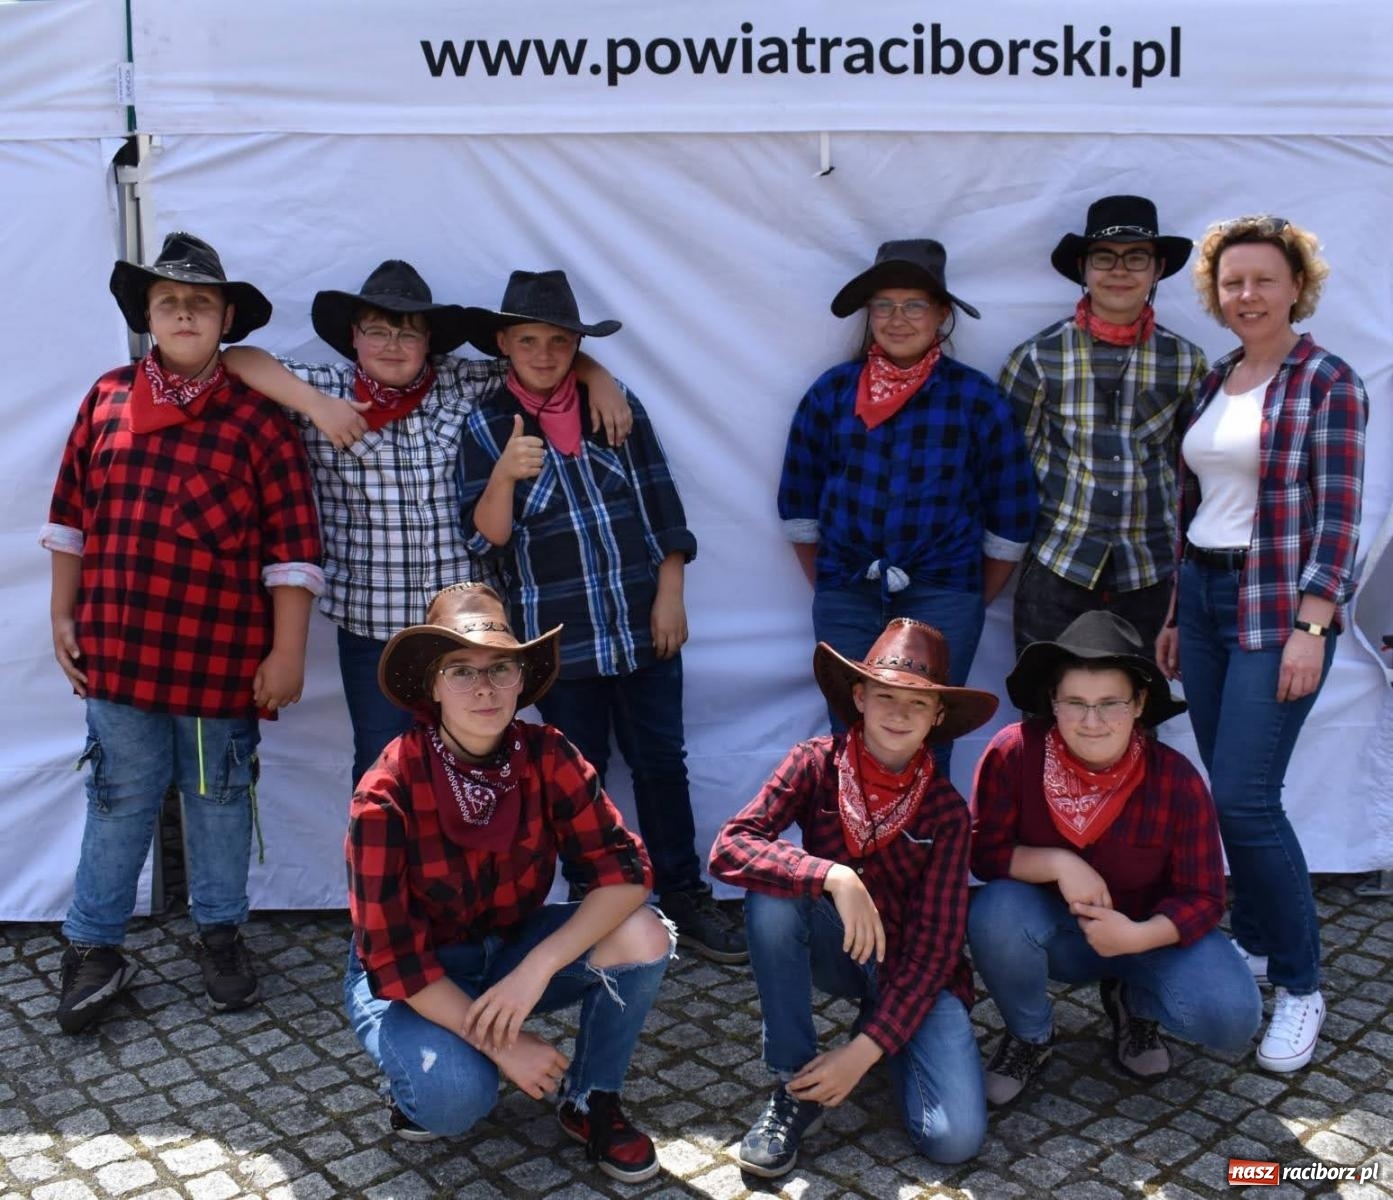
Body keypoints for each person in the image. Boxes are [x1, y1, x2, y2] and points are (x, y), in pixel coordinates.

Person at [42, 232, 323, 1033]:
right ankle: (92, 945)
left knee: (218, 799)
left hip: (220, 660)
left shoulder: (259, 418)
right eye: (169, 300)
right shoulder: (105, 399)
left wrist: (287, 648)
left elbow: (293, 546)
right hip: (118, 651)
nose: (185, 312)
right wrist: (61, 614)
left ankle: (220, 932)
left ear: (227, 317)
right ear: (148, 316)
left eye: (202, 301)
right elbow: (70, 520)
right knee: (119, 796)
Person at [221, 260, 632, 784]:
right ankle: (383, 865)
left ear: (429, 342)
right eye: (378, 331)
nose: (392, 344)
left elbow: (543, 362)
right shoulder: (324, 387)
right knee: (382, 766)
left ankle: (470, 866)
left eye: (408, 333)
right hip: (374, 623)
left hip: (467, 624)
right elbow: (237, 358)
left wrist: (596, 374)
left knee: (476, 761)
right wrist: (317, 407)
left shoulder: (460, 382)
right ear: (354, 337)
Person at [458, 269, 746, 964]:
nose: (544, 353)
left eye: (559, 341)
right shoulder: (485, 424)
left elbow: (660, 503)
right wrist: (504, 474)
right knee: (574, 775)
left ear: (574, 346)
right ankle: (601, 902)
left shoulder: (614, 407)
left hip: (640, 622)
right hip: (558, 638)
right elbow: (484, 538)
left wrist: (669, 590)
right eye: (528, 340)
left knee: (660, 763)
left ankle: (682, 890)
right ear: (505, 344)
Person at [345, 582, 672, 1184]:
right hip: (417, 974)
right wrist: (503, 1045)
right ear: (432, 686)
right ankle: (418, 1084)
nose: (485, 687)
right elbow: (392, 960)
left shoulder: (548, 754)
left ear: (522, 679)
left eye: (500, 667)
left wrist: (535, 970)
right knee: (454, 1101)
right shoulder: (385, 792)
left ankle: (591, 1099)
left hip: (510, 949)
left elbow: (626, 876)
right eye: (461, 671)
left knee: (645, 934)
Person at [1156, 216, 1367, 1073]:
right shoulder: (1216, 380)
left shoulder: (1327, 381)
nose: (1245, 295)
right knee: (1225, 791)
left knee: (1246, 799)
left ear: (1295, 288)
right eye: (1231, 282)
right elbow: (1194, 506)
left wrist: (1313, 626)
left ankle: (1301, 982)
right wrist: (1174, 610)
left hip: (1274, 605)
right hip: (1203, 598)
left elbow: (1339, 515)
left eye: (1262, 280)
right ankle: (1245, 940)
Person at [710, 618, 996, 1176]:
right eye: (885, 696)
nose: (898, 714)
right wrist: (833, 878)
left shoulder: (946, 812)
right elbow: (729, 846)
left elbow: (937, 952)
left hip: (914, 971)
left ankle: (883, 1031)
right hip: (839, 947)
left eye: (917, 704)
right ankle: (796, 1086)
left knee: (952, 1140)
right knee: (773, 898)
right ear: (858, 697)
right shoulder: (815, 760)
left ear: (938, 717)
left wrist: (860, 1053)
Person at [969, 611, 1261, 1107]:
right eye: (1075, 703)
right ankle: (1029, 1036)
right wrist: (1060, 863)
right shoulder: (1013, 754)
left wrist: (1140, 935)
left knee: (1231, 1016)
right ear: (1053, 703)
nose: (1092, 721)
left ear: (1140, 703)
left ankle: (1134, 1005)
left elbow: (1205, 896)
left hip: (1144, 935)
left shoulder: (1176, 778)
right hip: (1053, 931)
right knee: (993, 911)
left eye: (1110, 704)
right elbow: (982, 854)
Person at [778, 239, 1035, 759]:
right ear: (868, 314)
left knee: (924, 737)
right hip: (848, 591)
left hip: (944, 595)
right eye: (884, 305)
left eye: (914, 305)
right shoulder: (831, 394)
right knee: (850, 735)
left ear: (942, 314)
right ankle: (846, 840)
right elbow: (800, 504)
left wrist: (962, 599)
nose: (898, 319)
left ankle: (925, 841)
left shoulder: (975, 399)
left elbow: (1011, 514)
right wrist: (834, 585)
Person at [1001, 196, 1208, 658]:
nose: (1120, 271)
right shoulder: (1037, 357)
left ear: (1156, 271)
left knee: (1138, 702)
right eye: (1104, 258)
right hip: (1060, 560)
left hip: (1149, 564)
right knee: (1046, 696)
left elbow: (1193, 467)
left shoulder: (1185, 362)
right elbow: (1007, 469)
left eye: (1136, 258)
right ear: (1083, 267)